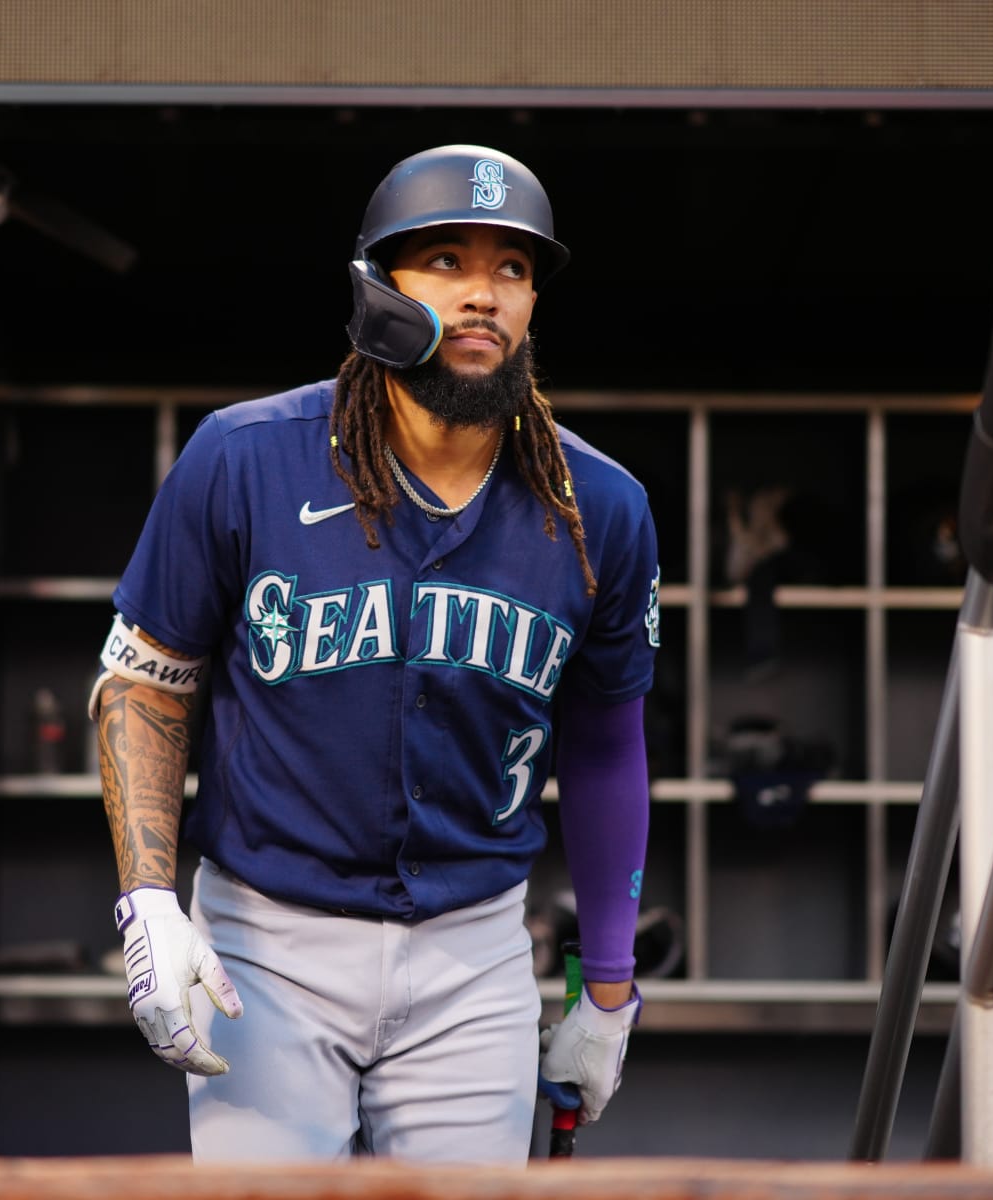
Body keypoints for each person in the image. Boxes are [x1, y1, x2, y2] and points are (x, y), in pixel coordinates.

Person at [91, 144, 660, 1163]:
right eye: (446, 259)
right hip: (268, 942)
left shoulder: (600, 507)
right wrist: (148, 901)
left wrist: (607, 988)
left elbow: (606, 742)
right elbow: (144, 685)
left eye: (514, 269)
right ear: (375, 288)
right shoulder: (245, 458)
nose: (484, 293)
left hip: (474, 950)